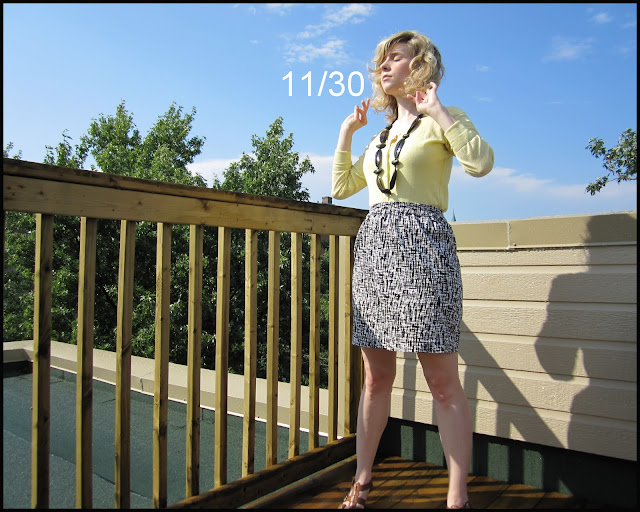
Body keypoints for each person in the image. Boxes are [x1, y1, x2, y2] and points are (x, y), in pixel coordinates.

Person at [331, 30, 494, 509]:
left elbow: (481, 163)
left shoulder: (443, 118)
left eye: (395, 58)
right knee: (375, 378)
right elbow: (342, 186)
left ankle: (457, 495)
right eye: (381, 60)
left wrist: (439, 112)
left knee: (441, 380)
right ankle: (362, 481)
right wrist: (347, 132)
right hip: (376, 251)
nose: (383, 66)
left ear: (419, 65)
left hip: (425, 250)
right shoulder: (380, 137)